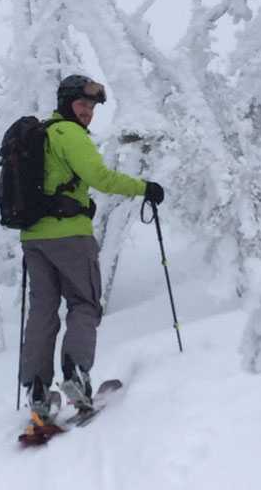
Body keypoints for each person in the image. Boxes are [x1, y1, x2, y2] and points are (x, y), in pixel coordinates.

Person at [19, 74, 164, 431]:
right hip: (70, 236)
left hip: (33, 239)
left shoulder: (42, 135)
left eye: (93, 107)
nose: (88, 112)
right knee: (84, 304)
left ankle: (37, 390)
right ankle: (76, 375)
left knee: (42, 311)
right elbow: (100, 177)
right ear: (67, 103)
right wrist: (144, 187)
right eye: (82, 104)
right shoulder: (69, 134)